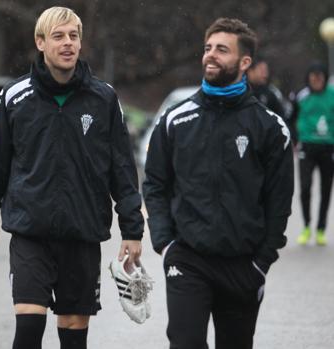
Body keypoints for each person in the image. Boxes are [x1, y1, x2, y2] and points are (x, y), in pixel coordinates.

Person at [0, 6, 144, 349]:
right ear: (40, 42)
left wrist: (132, 230)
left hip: (82, 234)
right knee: (29, 325)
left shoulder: (104, 98)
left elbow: (122, 169)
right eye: (58, 36)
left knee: (73, 333)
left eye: (74, 36)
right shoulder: (13, 97)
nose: (68, 44)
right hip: (30, 233)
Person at [143, 18, 293, 349]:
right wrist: (165, 243)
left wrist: (262, 261)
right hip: (187, 259)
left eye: (221, 50)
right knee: (185, 344)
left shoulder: (270, 128)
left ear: (244, 62)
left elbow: (279, 201)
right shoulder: (175, 120)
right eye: (208, 48)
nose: (211, 55)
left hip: (244, 265)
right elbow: (154, 184)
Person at [290, 62, 334, 246]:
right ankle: (307, 225)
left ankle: (321, 229)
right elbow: (290, 119)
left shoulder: (332, 95)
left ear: (324, 78)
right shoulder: (301, 96)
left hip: (328, 148)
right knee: (305, 188)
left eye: (319, 77)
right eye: (313, 77)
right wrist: (294, 139)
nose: (316, 80)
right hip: (307, 148)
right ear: (308, 78)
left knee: (326, 190)